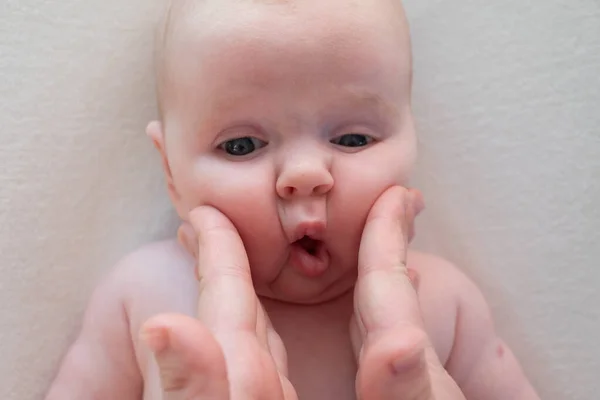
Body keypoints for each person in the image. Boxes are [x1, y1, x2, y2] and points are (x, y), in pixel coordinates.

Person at [45, 0, 540, 398]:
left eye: (353, 140)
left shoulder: (441, 302)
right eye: (240, 145)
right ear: (170, 172)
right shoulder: (144, 298)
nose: (306, 176)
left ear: (414, 141)